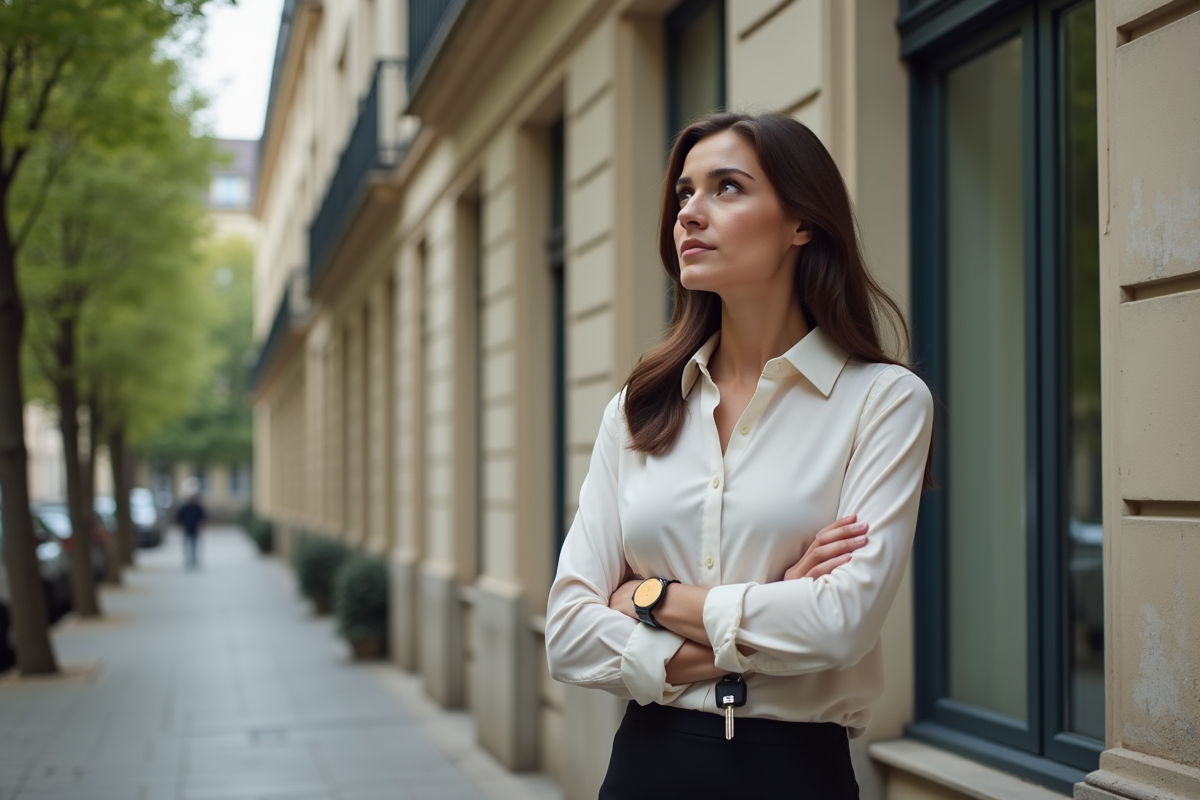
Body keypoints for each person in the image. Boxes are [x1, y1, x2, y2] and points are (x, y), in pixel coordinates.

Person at [545, 113, 934, 798]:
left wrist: (649, 596)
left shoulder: (885, 403)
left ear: (801, 223)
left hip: (793, 772)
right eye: (684, 194)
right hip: (645, 767)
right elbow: (569, 634)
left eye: (727, 188)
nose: (690, 213)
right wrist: (777, 603)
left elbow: (839, 626)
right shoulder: (637, 411)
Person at [175, 489, 207, 569]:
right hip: (187, 527)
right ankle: (187, 558)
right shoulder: (184, 507)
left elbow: (202, 517)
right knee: (186, 544)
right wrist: (180, 526)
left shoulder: (197, 507)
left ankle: (194, 558)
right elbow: (179, 517)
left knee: (194, 544)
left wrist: (201, 525)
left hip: (194, 527)